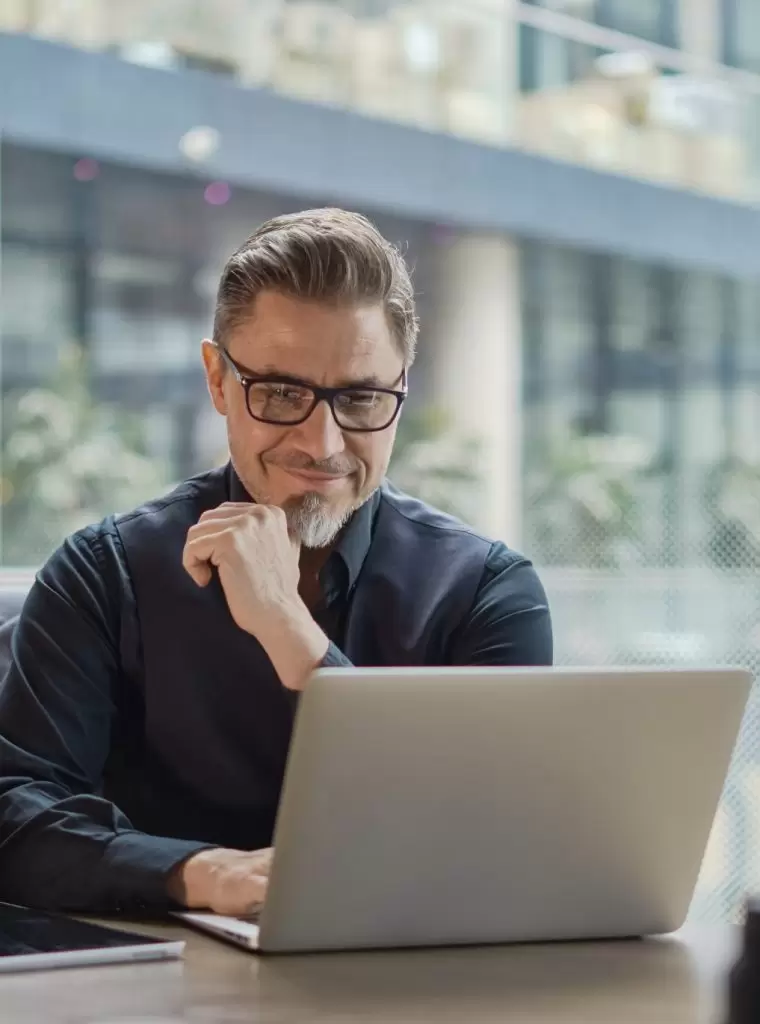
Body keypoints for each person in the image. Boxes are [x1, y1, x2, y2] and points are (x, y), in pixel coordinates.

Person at [0, 208, 552, 917]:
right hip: (155, 985)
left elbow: (495, 840)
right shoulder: (104, 575)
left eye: (358, 398)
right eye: (282, 394)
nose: (321, 443)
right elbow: (15, 823)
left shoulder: (487, 594)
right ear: (218, 381)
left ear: (402, 390)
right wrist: (201, 875)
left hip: (415, 986)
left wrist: (290, 631)